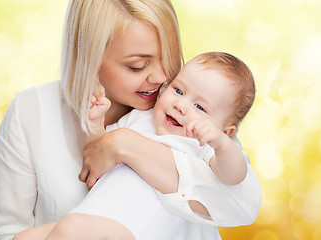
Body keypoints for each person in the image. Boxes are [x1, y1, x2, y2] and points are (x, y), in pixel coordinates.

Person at [0, 0, 262, 240]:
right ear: (89, 57)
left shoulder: (200, 122)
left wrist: (125, 145)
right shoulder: (32, 110)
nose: (162, 77)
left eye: (169, 57)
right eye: (137, 66)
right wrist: (98, 129)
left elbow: (241, 202)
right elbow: (95, 155)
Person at [13, 51, 256, 239]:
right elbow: (97, 154)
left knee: (71, 228)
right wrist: (95, 124)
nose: (181, 105)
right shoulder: (139, 119)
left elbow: (233, 177)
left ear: (227, 131)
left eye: (200, 107)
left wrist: (222, 144)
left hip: (130, 226)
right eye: (179, 90)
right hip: (95, 213)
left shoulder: (204, 145)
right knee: (24, 237)